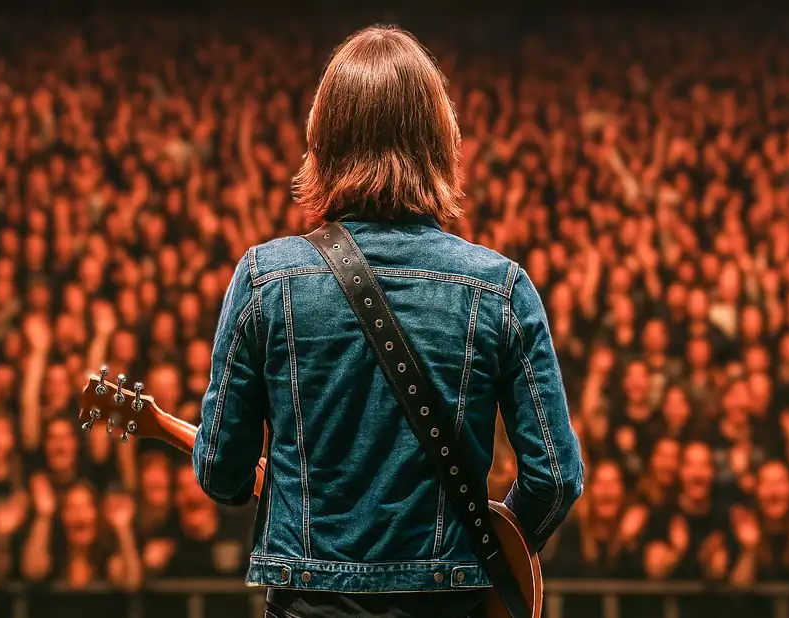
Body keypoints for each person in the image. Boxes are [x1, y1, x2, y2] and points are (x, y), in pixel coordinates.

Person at [191, 25, 583, 618]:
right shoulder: (500, 288)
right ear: (440, 142)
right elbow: (554, 478)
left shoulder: (265, 279)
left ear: (323, 142)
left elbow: (222, 474)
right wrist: (487, 548)